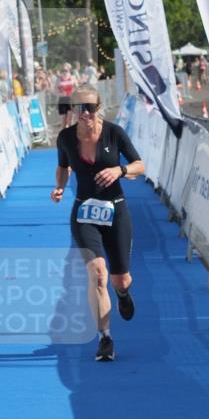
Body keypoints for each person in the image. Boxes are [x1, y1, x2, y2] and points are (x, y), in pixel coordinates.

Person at [51, 84, 144, 362]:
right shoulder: (66, 137)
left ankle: (123, 293)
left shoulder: (114, 133)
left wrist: (120, 169)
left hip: (115, 210)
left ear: (98, 108)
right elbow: (63, 166)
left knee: (119, 278)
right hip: (84, 213)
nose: (84, 113)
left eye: (90, 107)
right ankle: (105, 338)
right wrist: (59, 187)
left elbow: (140, 165)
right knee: (98, 274)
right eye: (79, 107)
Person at [56, 63, 77, 128]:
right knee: (63, 121)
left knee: (69, 121)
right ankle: (63, 136)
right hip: (62, 99)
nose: (64, 72)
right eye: (63, 70)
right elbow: (55, 89)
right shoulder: (59, 79)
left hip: (70, 99)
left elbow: (77, 87)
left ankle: (69, 135)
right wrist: (59, 93)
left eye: (66, 70)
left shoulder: (72, 78)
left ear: (69, 70)